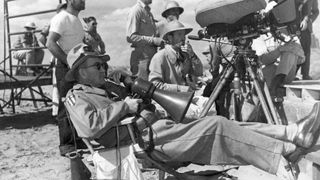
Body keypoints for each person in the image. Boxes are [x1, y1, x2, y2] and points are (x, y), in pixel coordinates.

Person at [64, 43, 320, 180]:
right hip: (142, 145)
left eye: (102, 65)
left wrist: (137, 102)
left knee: (222, 123)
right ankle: (279, 158)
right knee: (217, 126)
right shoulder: (77, 96)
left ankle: (291, 135)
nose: (102, 69)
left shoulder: (103, 89)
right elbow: (89, 127)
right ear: (80, 72)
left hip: (152, 134)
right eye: (97, 65)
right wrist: (126, 107)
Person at [46, 0, 85, 156]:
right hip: (66, 67)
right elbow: (50, 43)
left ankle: (76, 138)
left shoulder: (76, 20)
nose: (83, 1)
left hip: (77, 66)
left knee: (77, 103)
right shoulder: (61, 18)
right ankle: (66, 144)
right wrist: (67, 61)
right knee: (65, 105)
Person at [149, 20, 203, 93]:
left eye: (184, 35)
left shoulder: (185, 54)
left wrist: (193, 55)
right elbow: (155, 85)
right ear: (170, 38)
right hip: (168, 100)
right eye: (179, 34)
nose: (183, 38)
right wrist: (180, 89)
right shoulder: (160, 57)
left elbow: (198, 72)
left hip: (184, 97)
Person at [39, 3, 67, 117]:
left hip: (69, 57)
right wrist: (55, 51)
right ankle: (56, 113)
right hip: (59, 58)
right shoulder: (54, 22)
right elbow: (42, 38)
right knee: (58, 87)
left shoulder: (69, 21)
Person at [126, 0, 164, 80]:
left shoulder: (148, 12)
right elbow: (130, 37)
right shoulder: (136, 10)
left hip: (150, 58)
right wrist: (154, 40)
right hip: (141, 60)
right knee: (142, 88)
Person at [297, 0, 319, 80]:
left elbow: (316, 11)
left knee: (306, 51)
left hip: (306, 29)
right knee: (293, 51)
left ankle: (305, 75)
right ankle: (292, 74)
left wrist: (308, 20)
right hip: (291, 27)